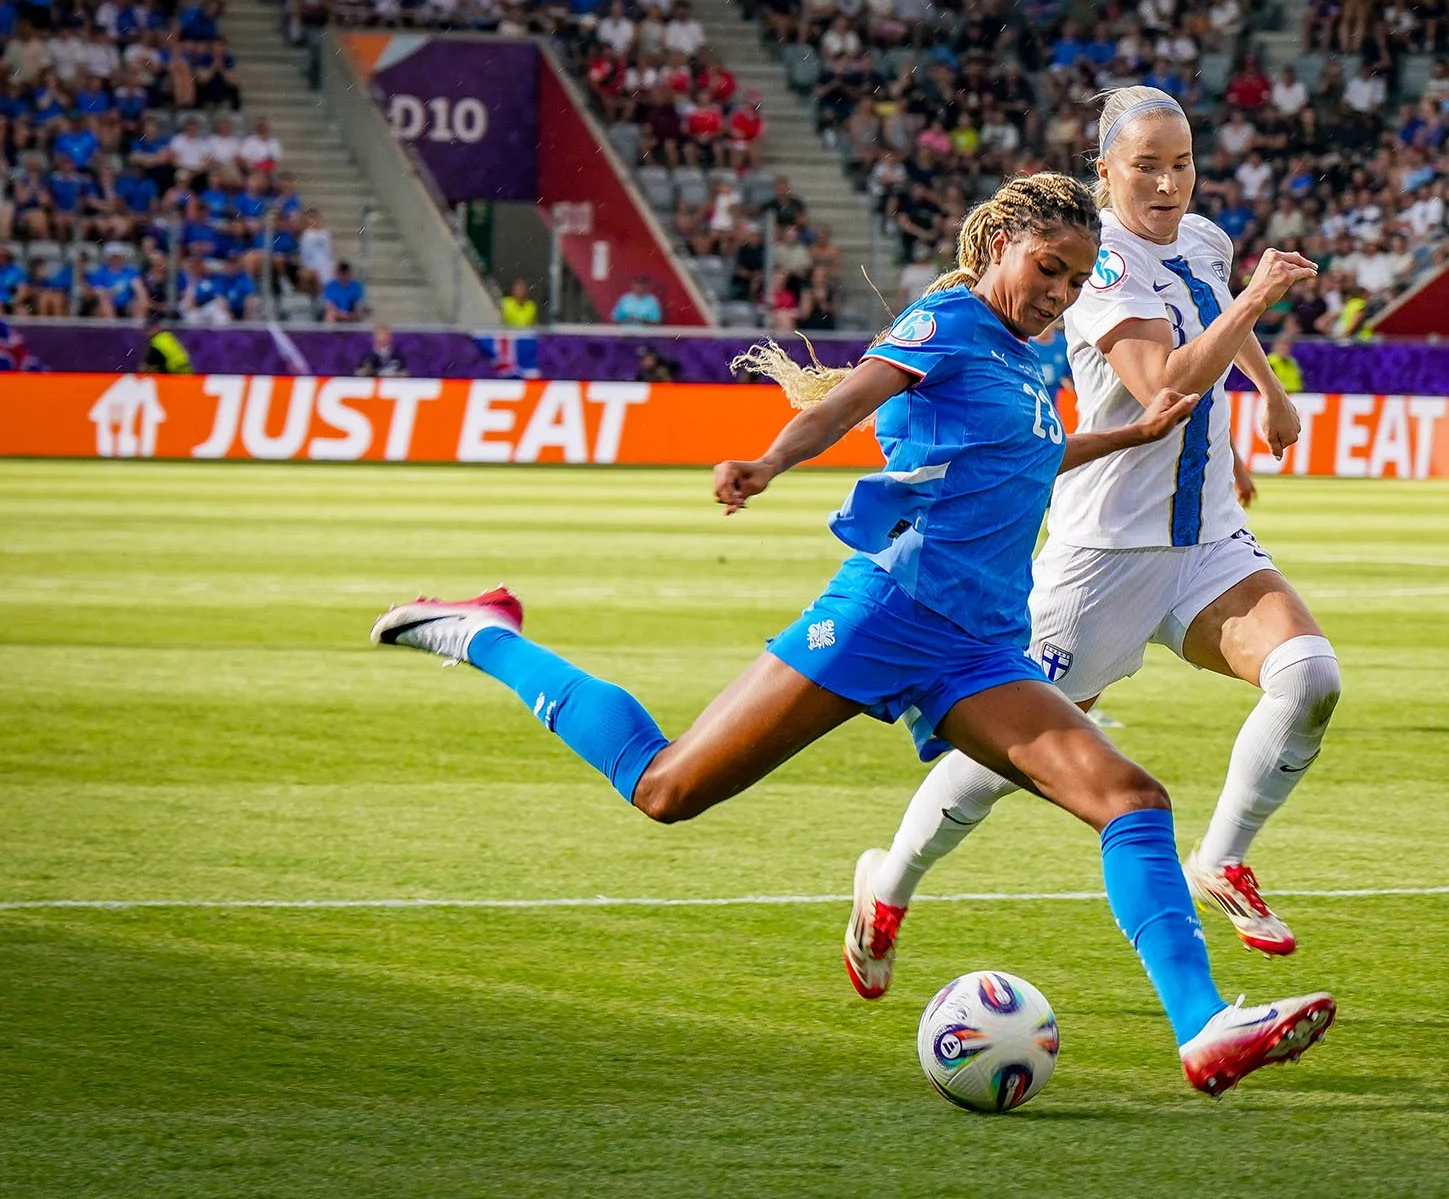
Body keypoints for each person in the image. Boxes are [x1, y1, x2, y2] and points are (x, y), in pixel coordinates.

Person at [371, 173, 1334, 1097]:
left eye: (1078, 280)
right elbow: (846, 399)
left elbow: (1023, 459)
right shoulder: (950, 320)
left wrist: (1119, 440)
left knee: (1130, 797)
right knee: (666, 788)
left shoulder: (1030, 355)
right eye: (1049, 268)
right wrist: (769, 460)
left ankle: (1204, 1026)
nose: (1060, 293)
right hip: (887, 613)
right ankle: (481, 632)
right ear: (1002, 245)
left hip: (980, 647)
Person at [847, 84, 1333, 1002]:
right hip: (1102, 555)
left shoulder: (1203, 240)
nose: (1166, 183)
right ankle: (889, 882)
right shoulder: (1100, 267)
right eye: (1144, 166)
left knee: (1309, 675)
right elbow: (1165, 379)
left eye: (1181, 163)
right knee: (1002, 762)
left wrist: (1267, 387)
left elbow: (1216, 305)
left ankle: (1220, 860)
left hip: (1204, 539)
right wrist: (1264, 300)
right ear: (1103, 172)